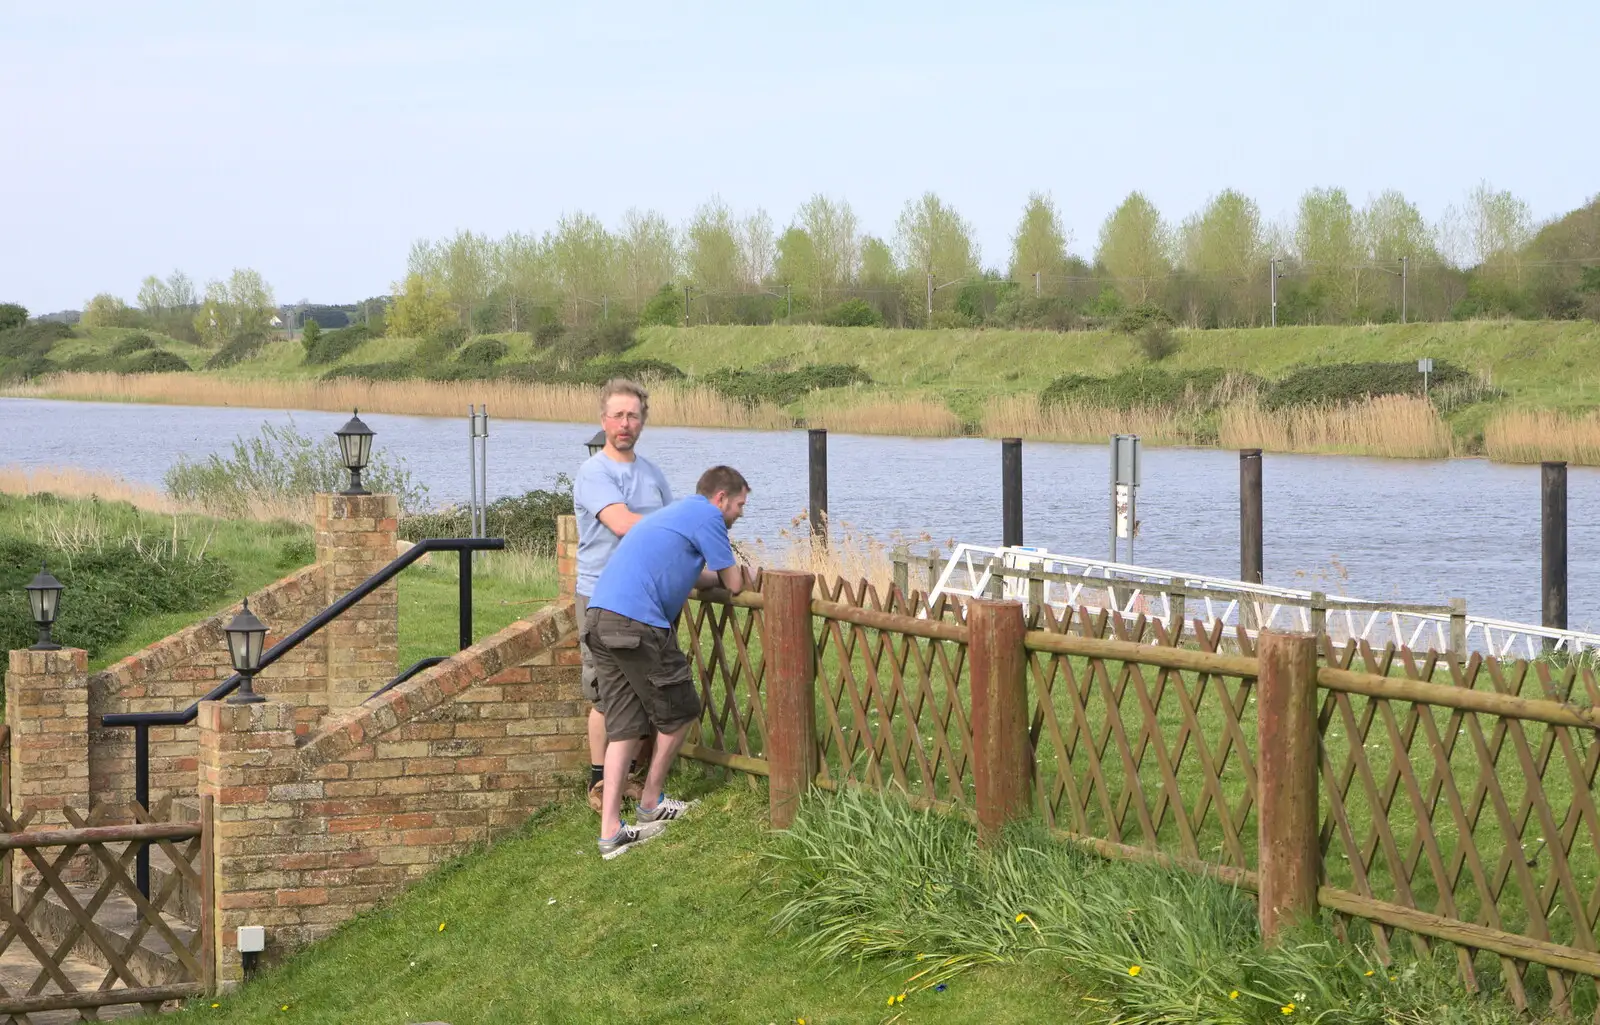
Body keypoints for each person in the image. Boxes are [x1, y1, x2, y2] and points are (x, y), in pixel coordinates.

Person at [584, 465, 750, 859]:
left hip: (600, 617)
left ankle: (611, 834)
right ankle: (651, 804)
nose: (741, 513)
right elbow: (734, 584)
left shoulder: (674, 514)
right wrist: (747, 572)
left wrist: (715, 575)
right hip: (636, 622)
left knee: (623, 728)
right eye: (740, 504)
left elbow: (695, 577)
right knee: (680, 713)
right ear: (721, 498)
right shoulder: (709, 517)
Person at [573, 379, 673, 813]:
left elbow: (671, 526)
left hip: (649, 600)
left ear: (643, 421)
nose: (625, 424)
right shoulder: (594, 472)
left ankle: (630, 779)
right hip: (602, 597)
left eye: (633, 415)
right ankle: (599, 784)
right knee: (605, 693)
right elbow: (622, 524)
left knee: (646, 689)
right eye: (617, 415)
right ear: (604, 421)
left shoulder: (653, 474)